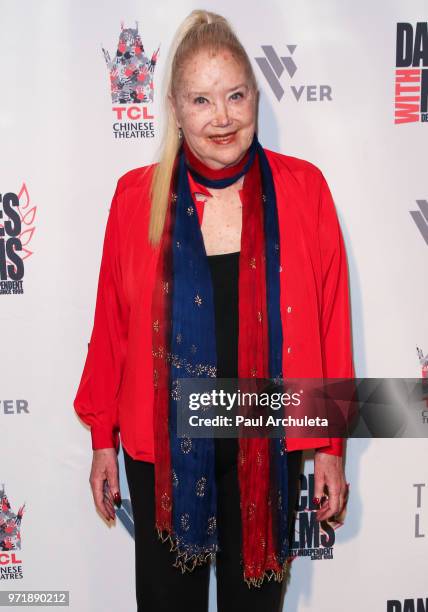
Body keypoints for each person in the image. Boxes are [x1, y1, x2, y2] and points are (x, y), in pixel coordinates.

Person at [73, 9, 354, 612]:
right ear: (175, 108)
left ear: (256, 96)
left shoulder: (304, 191)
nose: (221, 117)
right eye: (201, 100)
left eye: (235, 95)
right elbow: (111, 326)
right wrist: (102, 437)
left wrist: (331, 445)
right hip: (162, 454)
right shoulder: (134, 199)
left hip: (268, 443)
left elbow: (332, 320)